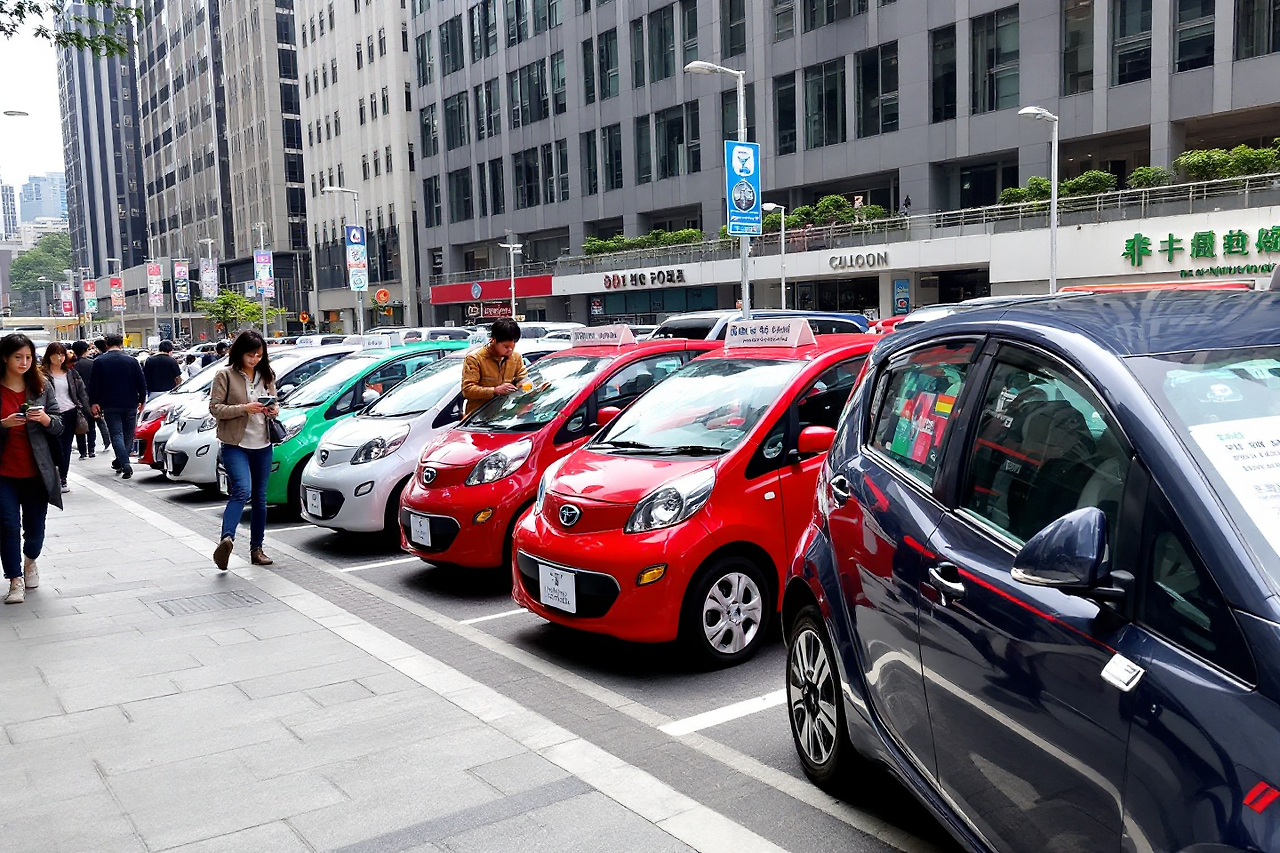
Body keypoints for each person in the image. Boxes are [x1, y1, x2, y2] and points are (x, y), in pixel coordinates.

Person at [0, 334, 64, 605]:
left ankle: (30, 561)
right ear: (5, 358)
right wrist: (3, 424)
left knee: (35, 529)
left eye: (28, 357)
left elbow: (59, 425)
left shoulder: (42, 385)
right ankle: (15, 580)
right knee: (7, 526)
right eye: (18, 357)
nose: (24, 362)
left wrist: (46, 419)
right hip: (4, 473)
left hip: (37, 471)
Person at [209, 330, 280, 570]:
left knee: (260, 498)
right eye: (250, 355)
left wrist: (272, 409)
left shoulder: (267, 374)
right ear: (239, 353)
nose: (255, 360)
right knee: (241, 490)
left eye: (259, 355)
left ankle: (256, 549)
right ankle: (226, 539)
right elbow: (215, 408)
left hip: (263, 443)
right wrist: (244, 408)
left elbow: (274, 402)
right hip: (235, 444)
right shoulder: (225, 375)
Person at [88, 333, 147, 479]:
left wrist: (94, 402)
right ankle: (123, 461)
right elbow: (141, 383)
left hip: (109, 403)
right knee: (129, 435)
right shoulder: (131, 361)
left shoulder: (99, 361)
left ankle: (123, 462)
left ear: (106, 344)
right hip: (130, 402)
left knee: (116, 435)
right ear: (121, 344)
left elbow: (94, 384)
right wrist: (142, 400)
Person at [41, 343, 91, 494]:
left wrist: (89, 410)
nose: (59, 358)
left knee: (66, 447)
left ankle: (63, 478)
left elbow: (82, 393)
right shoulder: (41, 374)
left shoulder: (71, 373)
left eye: (62, 354)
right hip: (50, 415)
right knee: (51, 446)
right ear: (49, 356)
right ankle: (51, 477)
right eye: (55, 354)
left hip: (70, 412)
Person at [461, 319, 527, 418]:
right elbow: (467, 390)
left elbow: (523, 378)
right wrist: (495, 390)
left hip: (505, 417)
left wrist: (523, 385)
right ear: (493, 340)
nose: (510, 350)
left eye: (512, 346)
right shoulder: (475, 359)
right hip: (478, 419)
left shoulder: (515, 357)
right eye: (506, 347)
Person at [71, 340, 108, 459]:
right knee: (91, 425)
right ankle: (91, 449)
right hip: (91, 398)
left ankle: (82, 451)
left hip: (76, 400)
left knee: (79, 425)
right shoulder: (92, 363)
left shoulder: (72, 366)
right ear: (86, 350)